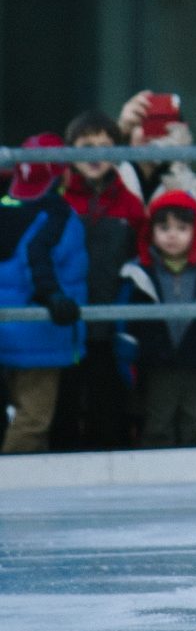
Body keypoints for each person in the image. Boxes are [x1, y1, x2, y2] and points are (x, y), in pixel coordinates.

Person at [50, 110, 143, 452]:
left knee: (107, 404)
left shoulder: (129, 203)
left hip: (109, 319)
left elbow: (140, 256)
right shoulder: (58, 200)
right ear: (70, 151)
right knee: (65, 403)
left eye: (104, 146)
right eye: (86, 146)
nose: (95, 155)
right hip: (65, 321)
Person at [116, 192, 196, 449]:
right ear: (151, 231)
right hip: (157, 364)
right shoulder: (139, 272)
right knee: (158, 423)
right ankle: (157, 468)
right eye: (164, 228)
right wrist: (127, 358)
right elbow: (126, 320)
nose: (172, 236)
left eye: (182, 228)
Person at [0, 137, 88, 455]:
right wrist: (53, 297)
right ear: (63, 175)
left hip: (8, 332)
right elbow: (37, 261)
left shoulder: (5, 206)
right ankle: (12, 477)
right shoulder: (56, 215)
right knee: (33, 420)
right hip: (40, 333)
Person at [115, 92, 196, 206]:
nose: (152, 135)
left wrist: (178, 161)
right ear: (129, 133)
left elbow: (190, 210)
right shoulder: (110, 175)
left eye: (160, 126)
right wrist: (117, 134)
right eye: (145, 124)